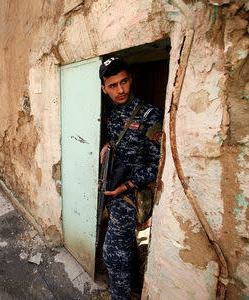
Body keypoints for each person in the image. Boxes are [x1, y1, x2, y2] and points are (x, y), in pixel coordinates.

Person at [99, 57, 163, 300]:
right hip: (113, 188)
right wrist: (107, 145)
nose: (120, 90)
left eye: (124, 82)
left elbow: (157, 165)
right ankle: (129, 288)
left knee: (114, 255)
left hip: (133, 194)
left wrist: (125, 186)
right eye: (113, 85)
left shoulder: (149, 115)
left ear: (131, 79)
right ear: (104, 89)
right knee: (125, 251)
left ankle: (120, 296)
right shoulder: (110, 112)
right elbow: (115, 141)